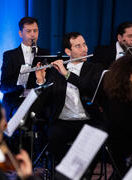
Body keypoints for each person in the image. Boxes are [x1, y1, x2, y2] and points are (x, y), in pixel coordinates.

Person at [36, 32, 105, 163]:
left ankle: (85, 175)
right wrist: (41, 81)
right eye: (78, 46)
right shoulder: (55, 71)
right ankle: (61, 173)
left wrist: (67, 74)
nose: (84, 49)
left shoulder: (95, 68)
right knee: (53, 136)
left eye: (84, 44)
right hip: (63, 122)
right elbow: (45, 102)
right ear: (68, 51)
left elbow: (89, 87)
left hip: (88, 121)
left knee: (94, 142)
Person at [0, 16, 49, 120]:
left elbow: (49, 84)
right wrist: (21, 82)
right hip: (16, 103)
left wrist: (41, 81)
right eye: (28, 31)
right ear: (20, 33)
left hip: (39, 103)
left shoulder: (46, 54)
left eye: (35, 31)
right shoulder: (9, 55)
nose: (32, 34)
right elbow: (3, 87)